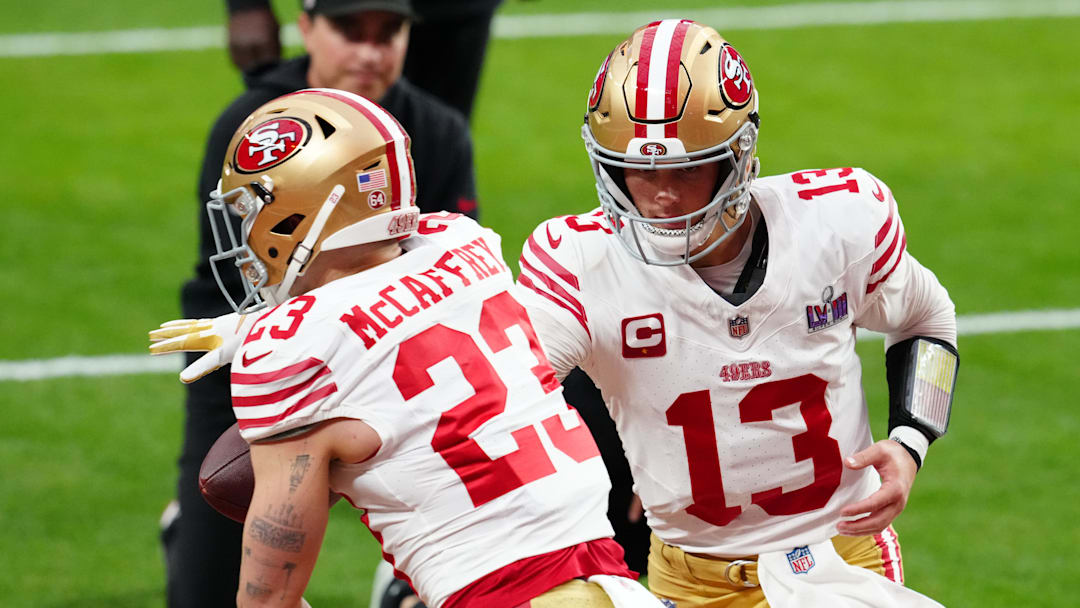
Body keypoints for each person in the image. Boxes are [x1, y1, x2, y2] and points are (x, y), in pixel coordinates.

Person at [156, 88, 663, 608]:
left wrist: (264, 334)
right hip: (613, 583)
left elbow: (268, 600)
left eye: (250, 209)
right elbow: (388, 306)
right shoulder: (463, 246)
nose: (244, 232)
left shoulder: (287, 352)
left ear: (303, 212)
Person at [513, 19, 958, 606]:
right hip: (689, 578)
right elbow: (505, 400)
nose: (662, 196)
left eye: (686, 168)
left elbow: (928, 319)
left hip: (839, 556)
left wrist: (909, 440)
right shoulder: (577, 261)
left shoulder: (837, 225)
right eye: (639, 170)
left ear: (740, 157)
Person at [163, 1, 478, 606]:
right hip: (249, 355)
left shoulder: (437, 133)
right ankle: (189, 522)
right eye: (348, 30)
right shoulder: (250, 128)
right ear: (305, 27)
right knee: (206, 589)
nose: (368, 51)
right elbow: (231, 279)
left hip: (394, 368)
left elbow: (445, 291)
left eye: (388, 32)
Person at [223, 0, 504, 121]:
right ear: (306, 29)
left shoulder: (444, 131)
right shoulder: (239, 123)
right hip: (341, 7)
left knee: (435, 139)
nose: (369, 54)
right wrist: (246, 4)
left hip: (454, 12)